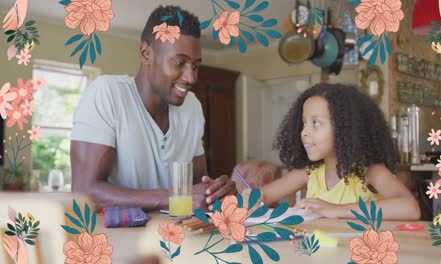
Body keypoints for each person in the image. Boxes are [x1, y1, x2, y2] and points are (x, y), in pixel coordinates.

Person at [70, 5, 237, 211]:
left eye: (195, 66)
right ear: (146, 53)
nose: (191, 77)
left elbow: (197, 185)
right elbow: (84, 191)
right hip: (118, 239)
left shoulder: (192, 106)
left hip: (174, 237)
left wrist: (216, 191)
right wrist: (176, 198)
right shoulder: (107, 94)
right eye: (179, 63)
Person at [252, 83, 420, 220]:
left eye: (316, 123)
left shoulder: (370, 172)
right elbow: (262, 196)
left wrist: (337, 210)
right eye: (304, 123)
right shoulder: (309, 172)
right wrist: (248, 199)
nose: (304, 132)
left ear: (344, 129)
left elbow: (410, 208)